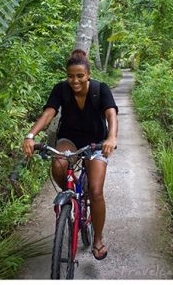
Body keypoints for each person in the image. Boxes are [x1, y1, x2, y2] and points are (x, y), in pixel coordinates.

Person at [23, 48, 118, 261]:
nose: (75, 80)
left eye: (80, 76)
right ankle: (71, 191)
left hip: (96, 142)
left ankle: (98, 239)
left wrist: (111, 138)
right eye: (70, 76)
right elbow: (48, 114)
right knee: (58, 165)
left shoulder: (100, 90)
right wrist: (30, 135)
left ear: (88, 75)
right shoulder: (61, 90)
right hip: (70, 140)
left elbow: (111, 114)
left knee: (95, 191)